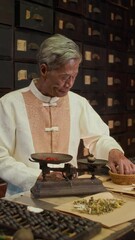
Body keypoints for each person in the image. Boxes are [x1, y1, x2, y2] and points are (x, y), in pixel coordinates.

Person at [0, 34, 135, 196]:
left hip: (68, 193)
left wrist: (114, 151)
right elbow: (1, 157)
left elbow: (98, 138)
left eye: (74, 76)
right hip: (24, 196)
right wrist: (37, 176)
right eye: (65, 77)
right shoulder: (10, 104)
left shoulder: (78, 103)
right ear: (44, 70)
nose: (70, 84)